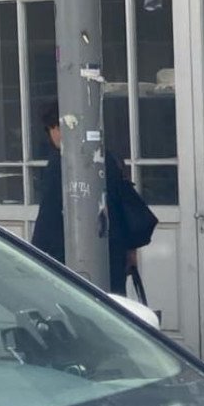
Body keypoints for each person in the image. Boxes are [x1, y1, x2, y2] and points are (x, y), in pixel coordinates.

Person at [32, 103, 137, 294]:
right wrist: (130, 250)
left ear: (57, 127)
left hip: (67, 254)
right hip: (114, 251)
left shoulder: (60, 163)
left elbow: (48, 216)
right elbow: (126, 207)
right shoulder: (110, 158)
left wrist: (35, 254)